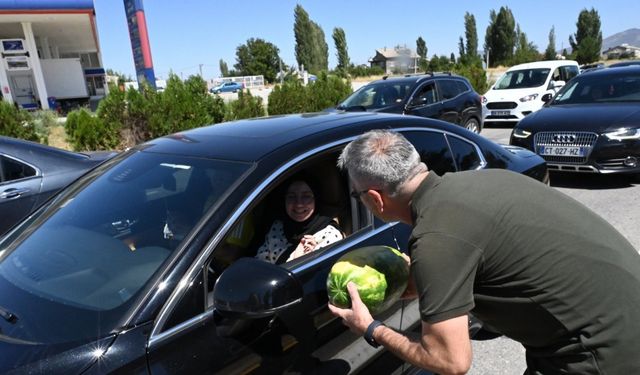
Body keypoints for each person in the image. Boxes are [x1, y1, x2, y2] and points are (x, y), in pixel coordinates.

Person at [329, 129, 640, 375]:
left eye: (357, 196)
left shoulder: (435, 239)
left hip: (602, 354)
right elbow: (499, 260)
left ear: (374, 199)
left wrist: (371, 328)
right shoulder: (490, 178)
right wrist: (424, 282)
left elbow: (450, 361)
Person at [255, 175, 343, 264]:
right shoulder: (277, 227)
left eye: (306, 196)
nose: (299, 204)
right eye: (291, 196)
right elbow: (260, 267)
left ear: (316, 198)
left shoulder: (329, 234)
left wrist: (308, 258)